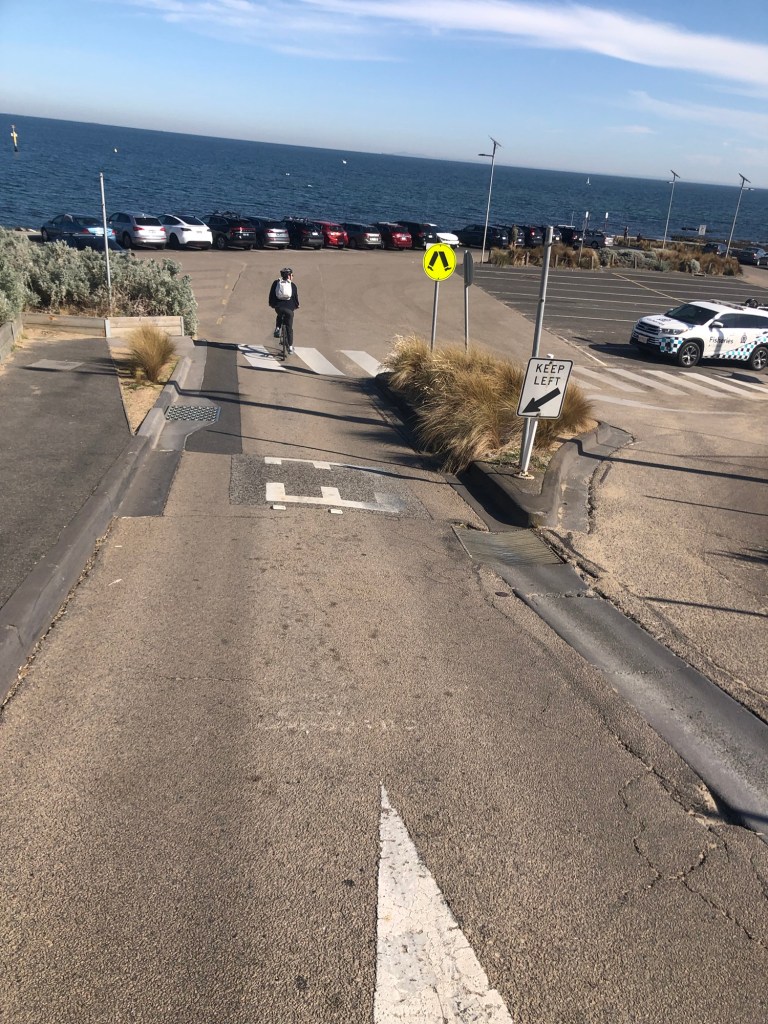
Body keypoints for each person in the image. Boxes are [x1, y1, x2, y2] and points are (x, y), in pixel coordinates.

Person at [268, 267, 299, 353]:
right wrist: (297, 305)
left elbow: (271, 295)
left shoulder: (276, 283)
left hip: (278, 307)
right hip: (289, 310)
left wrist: (272, 304)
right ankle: (290, 347)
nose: (292, 276)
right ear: (289, 276)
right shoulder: (293, 286)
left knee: (279, 314)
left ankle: (278, 328)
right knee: (289, 328)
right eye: (292, 275)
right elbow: (295, 298)